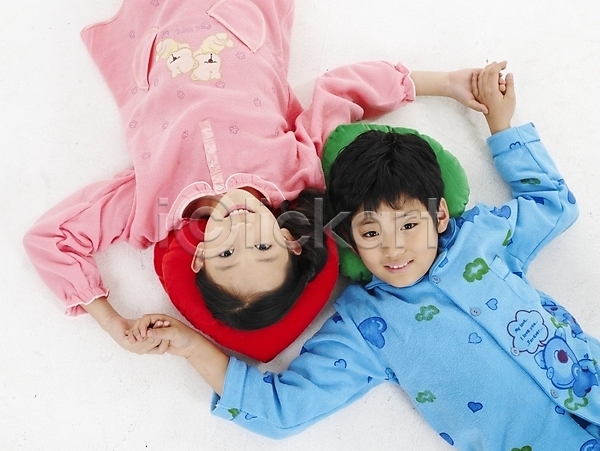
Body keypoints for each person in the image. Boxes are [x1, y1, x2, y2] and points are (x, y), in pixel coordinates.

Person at [127, 61, 600, 450]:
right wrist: (189, 346)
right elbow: (281, 410)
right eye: (371, 232)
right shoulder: (365, 326)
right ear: (349, 238)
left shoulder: (481, 238)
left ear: (438, 215)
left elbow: (552, 205)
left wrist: (500, 122)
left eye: (409, 225)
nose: (393, 247)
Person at [22, 0, 494, 353]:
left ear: (199, 257)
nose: (242, 232)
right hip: (237, 16)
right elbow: (340, 92)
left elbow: (51, 238)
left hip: (158, 29)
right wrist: (443, 83)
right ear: (290, 241)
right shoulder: (294, 170)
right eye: (264, 248)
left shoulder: (150, 207)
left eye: (227, 254)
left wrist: (112, 322)